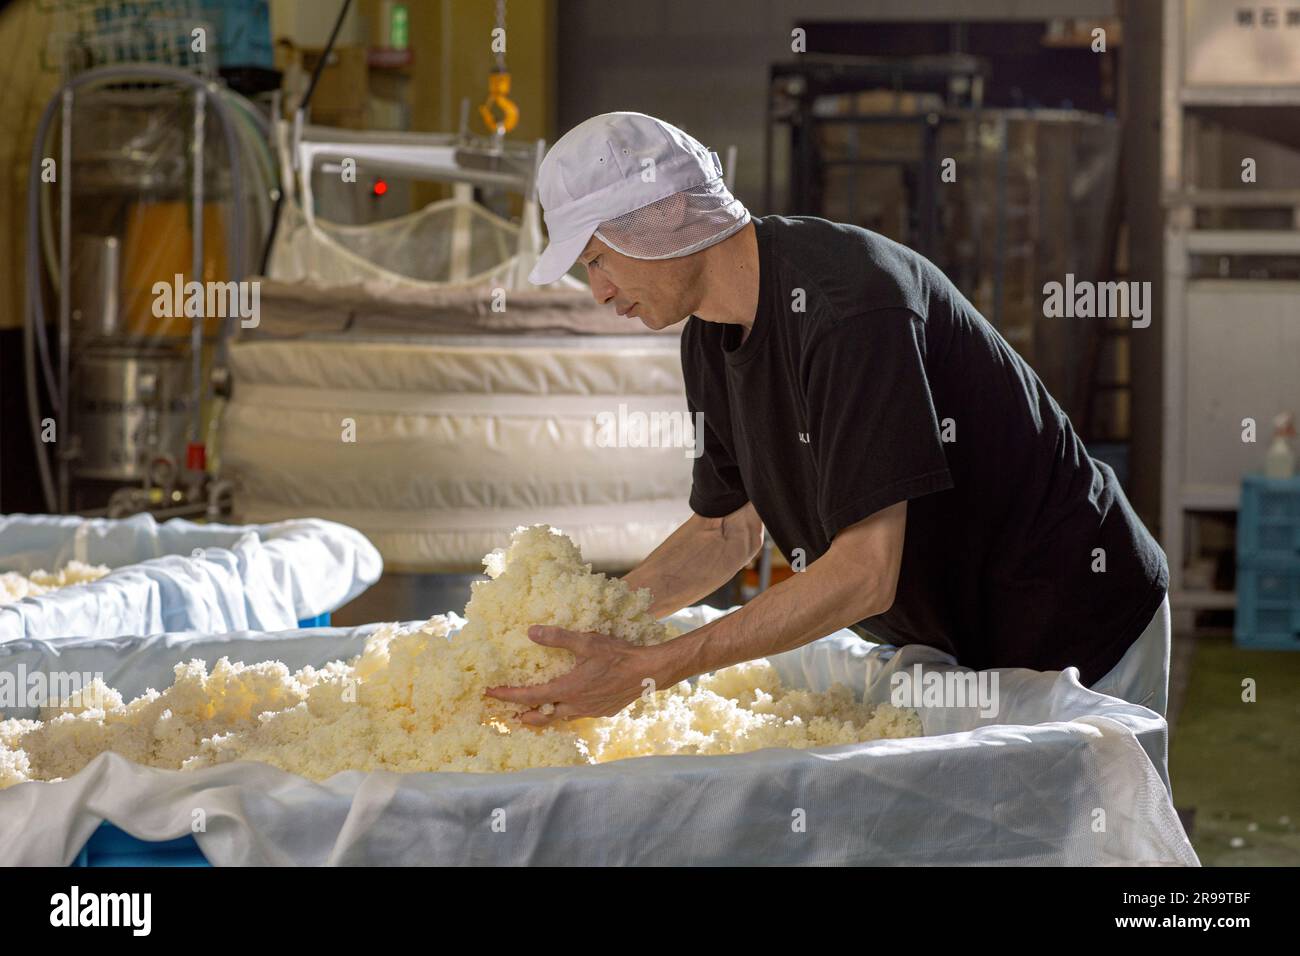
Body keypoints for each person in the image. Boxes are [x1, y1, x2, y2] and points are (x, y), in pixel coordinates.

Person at [486, 111, 1170, 724]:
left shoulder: (849, 307)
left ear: (663, 216)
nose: (598, 291)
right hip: (957, 644)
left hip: (1079, 625)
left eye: (598, 258)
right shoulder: (709, 333)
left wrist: (654, 668)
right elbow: (725, 533)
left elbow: (865, 572)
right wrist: (582, 631)